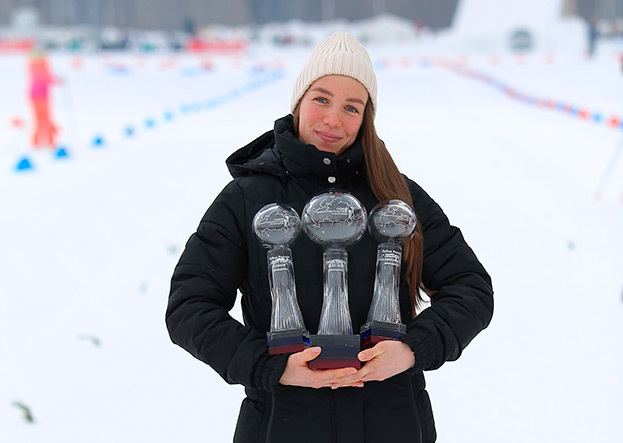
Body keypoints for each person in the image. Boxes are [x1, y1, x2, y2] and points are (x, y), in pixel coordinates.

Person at [166, 32, 493, 443]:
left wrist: (414, 349)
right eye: (321, 99)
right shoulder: (248, 200)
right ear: (299, 100)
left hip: (393, 423)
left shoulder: (396, 196)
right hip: (282, 425)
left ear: (366, 117)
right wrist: (270, 366)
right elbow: (189, 307)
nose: (333, 120)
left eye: (351, 107)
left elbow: (471, 288)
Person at [27, 50, 60, 148]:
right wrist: (58, 80)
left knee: (41, 119)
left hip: (36, 96)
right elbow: (47, 78)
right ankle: (46, 141)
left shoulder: (33, 66)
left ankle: (40, 141)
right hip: (41, 97)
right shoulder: (40, 67)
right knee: (44, 118)